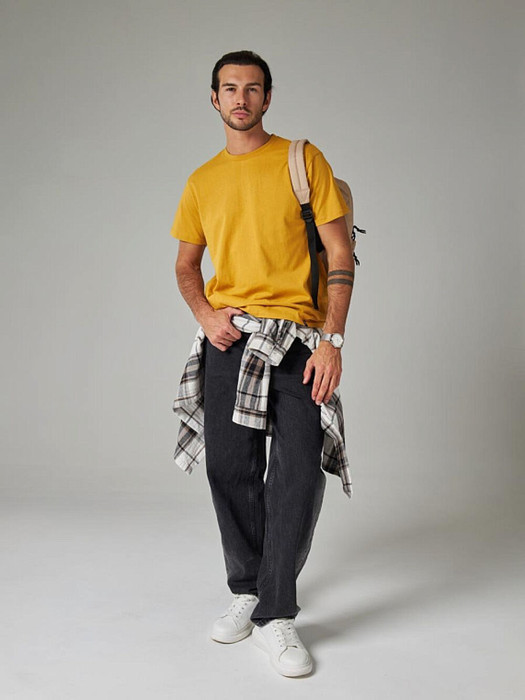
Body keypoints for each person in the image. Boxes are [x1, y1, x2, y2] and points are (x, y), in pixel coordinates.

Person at [170, 50, 355, 678]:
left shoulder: (303, 160)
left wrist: (332, 341)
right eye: (230, 88)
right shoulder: (202, 180)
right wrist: (206, 315)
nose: (241, 98)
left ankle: (278, 614)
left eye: (252, 88)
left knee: (297, 472)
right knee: (229, 468)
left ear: (268, 98)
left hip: (299, 341)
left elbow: (339, 255)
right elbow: (186, 265)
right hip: (230, 341)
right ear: (214, 99)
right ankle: (247, 589)